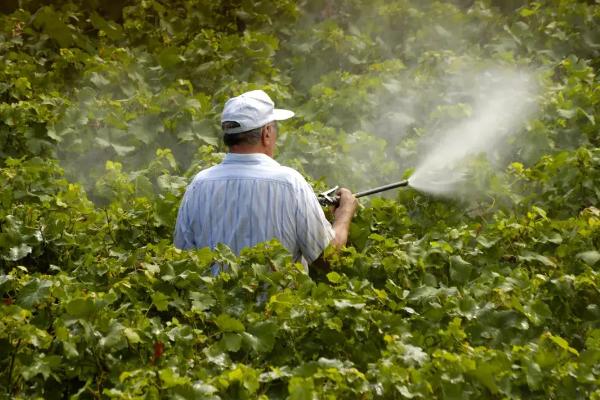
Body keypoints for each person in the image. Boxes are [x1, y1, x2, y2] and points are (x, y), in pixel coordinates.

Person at [173, 89, 357, 269]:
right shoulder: (290, 183)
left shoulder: (198, 184)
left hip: (215, 299)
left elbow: (182, 261)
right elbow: (328, 258)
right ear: (267, 133)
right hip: (277, 300)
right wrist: (344, 215)